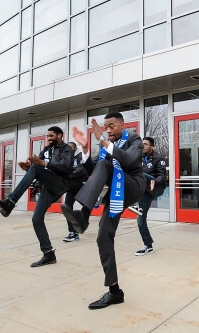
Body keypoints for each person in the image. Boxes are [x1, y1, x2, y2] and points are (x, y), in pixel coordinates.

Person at [61, 112, 145, 310]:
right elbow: (93, 170)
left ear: (122, 125)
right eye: (105, 127)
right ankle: (115, 292)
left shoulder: (135, 139)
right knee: (103, 237)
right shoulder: (106, 145)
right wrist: (84, 147)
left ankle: (83, 215)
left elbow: (129, 160)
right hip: (116, 195)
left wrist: (102, 140)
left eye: (112, 126)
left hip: (133, 186)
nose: (108, 130)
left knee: (106, 163)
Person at [0, 126, 73, 268]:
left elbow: (65, 167)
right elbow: (38, 167)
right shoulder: (46, 150)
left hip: (61, 183)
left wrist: (42, 164)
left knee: (36, 168)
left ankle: (10, 203)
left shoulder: (66, 149)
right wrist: (27, 168)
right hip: (48, 186)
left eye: (51, 136)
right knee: (36, 218)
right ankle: (48, 253)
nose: (48, 138)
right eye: (47, 136)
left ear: (60, 136)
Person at [128, 137, 167, 256]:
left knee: (142, 174)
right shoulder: (138, 158)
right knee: (140, 220)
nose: (143, 146)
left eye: (145, 144)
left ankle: (137, 205)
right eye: (142, 144)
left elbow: (162, 176)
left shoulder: (159, 158)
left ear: (152, 147)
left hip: (155, 187)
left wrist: (155, 180)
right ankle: (148, 245)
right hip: (144, 191)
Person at [62, 142, 93, 242]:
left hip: (80, 184)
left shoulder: (80, 157)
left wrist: (69, 174)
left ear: (75, 149)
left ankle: (83, 220)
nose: (69, 149)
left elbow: (81, 170)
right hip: (71, 187)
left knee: (87, 205)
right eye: (67, 148)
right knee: (67, 207)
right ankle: (73, 232)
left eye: (71, 148)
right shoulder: (66, 159)